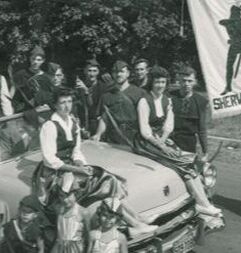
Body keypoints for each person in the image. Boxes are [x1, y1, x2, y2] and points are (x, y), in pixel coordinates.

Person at [33, 88, 157, 235]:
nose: (67, 106)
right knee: (105, 182)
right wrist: (78, 170)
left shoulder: (72, 122)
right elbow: (50, 160)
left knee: (110, 179)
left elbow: (76, 150)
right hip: (53, 175)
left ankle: (136, 218)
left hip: (72, 168)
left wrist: (80, 164)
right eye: (62, 103)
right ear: (55, 105)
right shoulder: (49, 126)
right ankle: (135, 225)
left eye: (69, 101)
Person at [133, 66, 222, 217]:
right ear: (151, 83)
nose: (160, 85)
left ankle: (203, 203)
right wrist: (160, 145)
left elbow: (169, 126)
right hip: (145, 142)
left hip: (163, 139)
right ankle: (202, 203)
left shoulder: (167, 100)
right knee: (183, 163)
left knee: (188, 164)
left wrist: (163, 141)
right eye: (157, 82)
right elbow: (145, 131)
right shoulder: (144, 101)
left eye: (163, 82)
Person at [92, 61, 148, 145]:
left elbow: (146, 118)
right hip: (113, 138)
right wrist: (98, 134)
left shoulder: (140, 93)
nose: (118, 75)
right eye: (115, 72)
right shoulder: (106, 95)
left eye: (122, 72)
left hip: (134, 138)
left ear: (128, 73)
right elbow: (104, 117)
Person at [169, 66, 211, 155]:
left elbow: (202, 128)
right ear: (178, 81)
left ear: (195, 82)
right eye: (183, 80)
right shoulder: (170, 96)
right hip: (169, 142)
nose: (186, 84)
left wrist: (205, 151)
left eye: (190, 81)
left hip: (188, 144)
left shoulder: (201, 101)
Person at [12, 46, 53, 112]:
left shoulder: (47, 78)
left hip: (43, 111)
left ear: (43, 61)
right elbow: (13, 95)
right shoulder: (21, 74)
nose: (35, 62)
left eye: (38, 60)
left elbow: (50, 97)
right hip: (25, 111)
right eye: (33, 59)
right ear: (30, 59)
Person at [50, 188, 92, 253]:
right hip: (59, 248)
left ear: (75, 194)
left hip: (75, 249)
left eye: (68, 195)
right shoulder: (59, 210)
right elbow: (57, 233)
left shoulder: (83, 212)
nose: (65, 200)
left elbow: (89, 239)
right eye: (61, 196)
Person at [74, 59, 103, 132]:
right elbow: (76, 105)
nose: (92, 74)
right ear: (85, 71)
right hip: (82, 123)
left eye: (94, 71)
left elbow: (94, 107)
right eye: (89, 70)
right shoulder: (79, 87)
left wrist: (86, 91)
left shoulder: (102, 87)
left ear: (98, 72)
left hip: (97, 125)